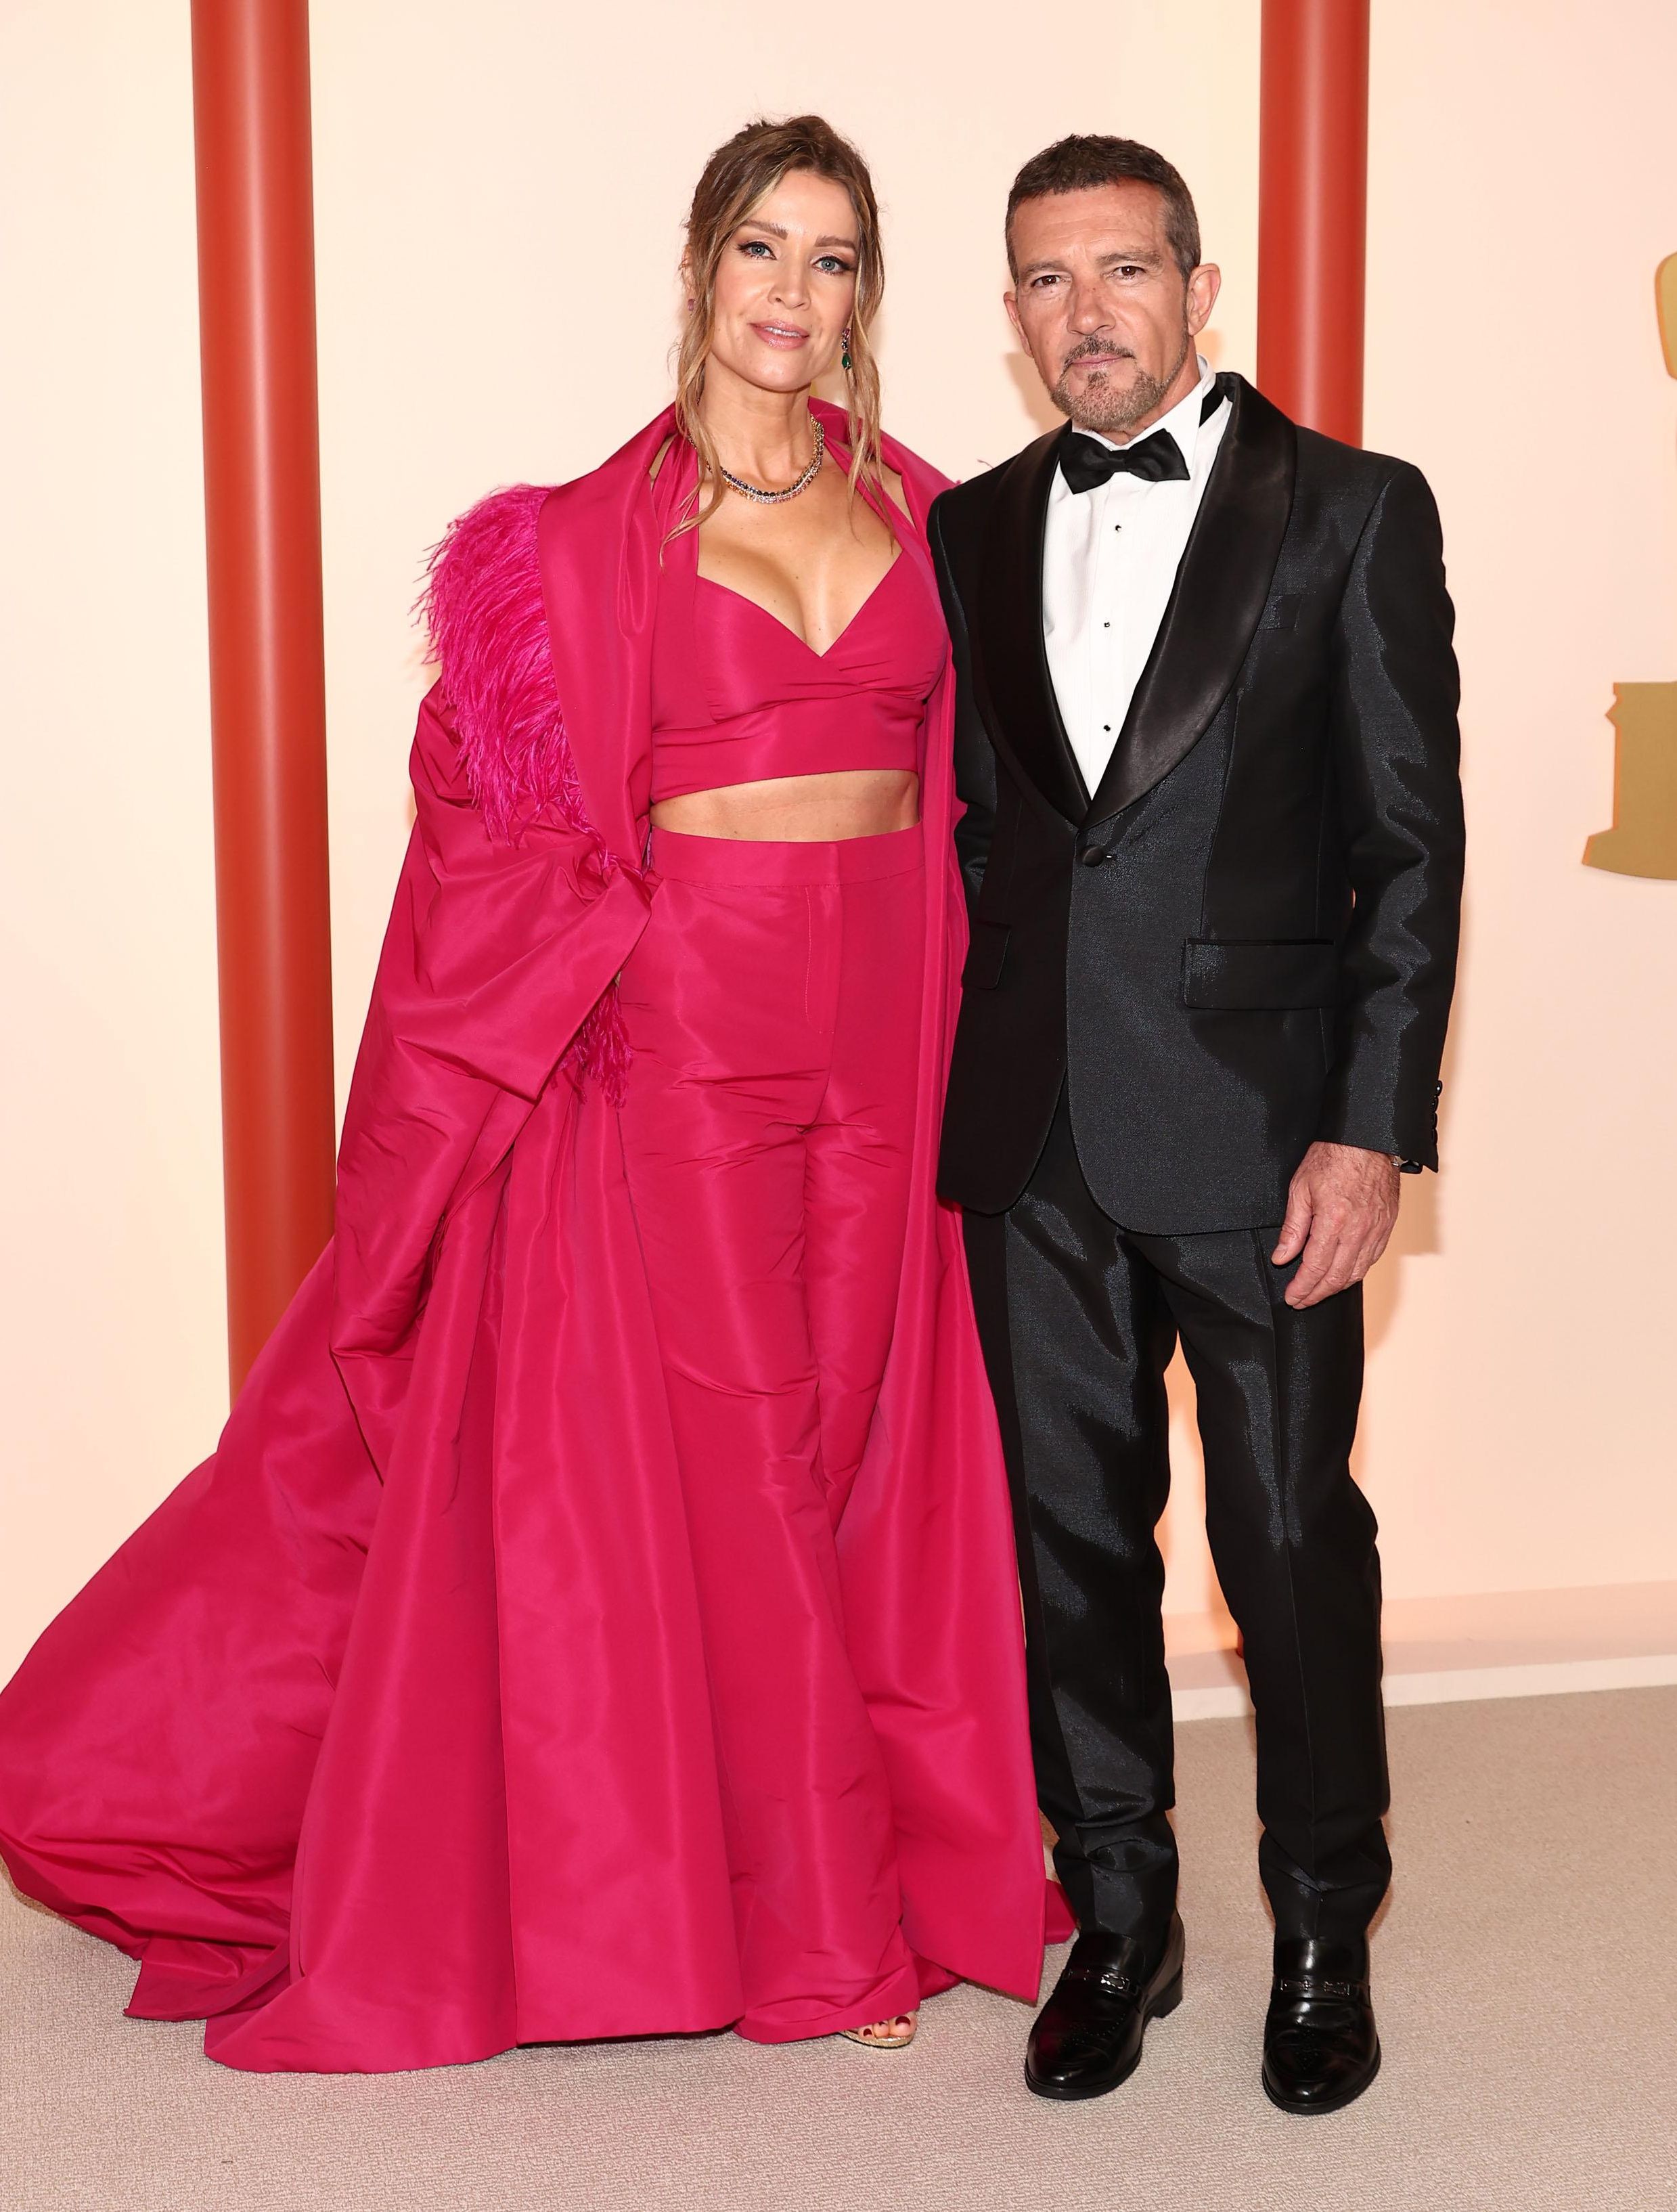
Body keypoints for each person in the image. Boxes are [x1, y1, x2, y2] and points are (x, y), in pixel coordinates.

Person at [0, 115, 1065, 2075]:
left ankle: (847, 1871)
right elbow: (481, 822)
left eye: (834, 260)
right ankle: (823, 1943)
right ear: (699, 271)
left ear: (867, 299)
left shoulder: (938, 521)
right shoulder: (579, 544)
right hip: (688, 1054)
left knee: (853, 1449)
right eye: (763, 248)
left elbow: (994, 807)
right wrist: (566, 999)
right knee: (742, 1460)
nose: (792, 294)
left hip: (882, 1052)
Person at [929, 135, 1464, 2112]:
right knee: (1070, 1549)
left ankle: (1325, 1923)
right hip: (1036, 1142)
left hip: (1264, 1144)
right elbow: (991, 834)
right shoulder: (972, 531)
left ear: (1198, 284)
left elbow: (1412, 854)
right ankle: (1120, 1913)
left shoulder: (1351, 510)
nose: (1091, 314)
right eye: (1050, 282)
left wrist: (1370, 1126)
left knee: (1291, 1542)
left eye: (1126, 272)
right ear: (1011, 317)